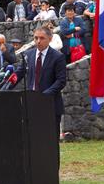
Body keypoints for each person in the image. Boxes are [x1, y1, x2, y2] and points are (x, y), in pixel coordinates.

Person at [15, 27, 66, 167]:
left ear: (50, 39)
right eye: (36, 38)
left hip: (50, 105)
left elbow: (61, 81)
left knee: (49, 141)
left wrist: (44, 96)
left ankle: (51, 173)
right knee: (32, 140)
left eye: (41, 38)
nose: (38, 41)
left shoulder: (58, 57)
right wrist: (5, 87)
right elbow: (18, 74)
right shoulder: (28, 55)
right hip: (31, 105)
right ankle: (34, 171)